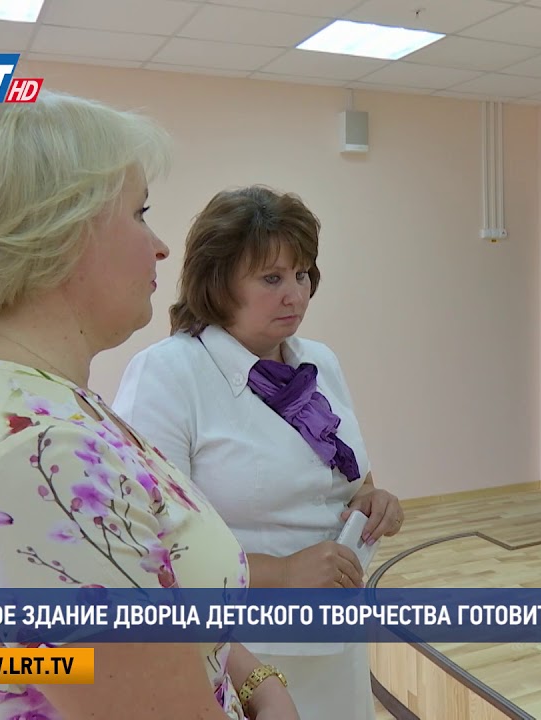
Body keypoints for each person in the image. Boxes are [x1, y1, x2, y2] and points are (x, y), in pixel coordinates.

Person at [0, 92, 298, 720]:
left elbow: (40, 659)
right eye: (139, 212)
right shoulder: (38, 457)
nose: (160, 246)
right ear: (57, 232)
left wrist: (253, 677)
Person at [112, 185, 404, 720]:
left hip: (338, 633)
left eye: (302, 275)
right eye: (272, 279)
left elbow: (350, 477)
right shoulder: (169, 373)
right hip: (244, 650)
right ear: (219, 282)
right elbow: (149, 545)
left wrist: (372, 500)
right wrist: (284, 573)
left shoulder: (319, 361)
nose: (295, 296)